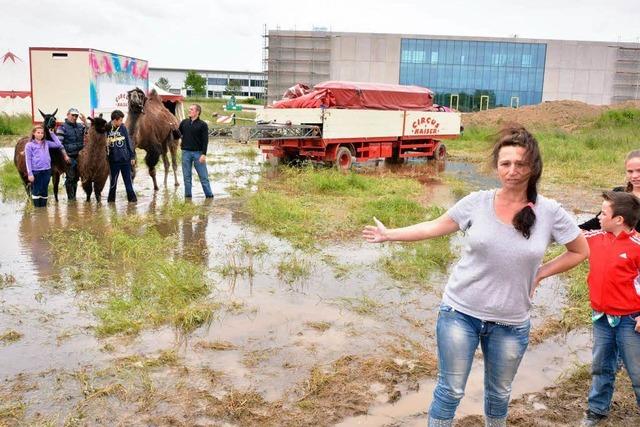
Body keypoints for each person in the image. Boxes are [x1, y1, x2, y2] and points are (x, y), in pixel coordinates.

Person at [363, 125, 589, 427]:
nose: (512, 171)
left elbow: (579, 250)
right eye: (505, 163)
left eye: (520, 164)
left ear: (533, 167)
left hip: (511, 322)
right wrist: (390, 235)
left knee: (499, 393)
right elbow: (433, 226)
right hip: (460, 313)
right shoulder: (476, 202)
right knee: (450, 389)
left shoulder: (550, 212)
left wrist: (540, 274)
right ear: (496, 167)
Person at [581, 191, 640, 426]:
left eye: (603, 213)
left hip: (630, 320)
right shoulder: (594, 237)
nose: (598, 217)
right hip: (602, 318)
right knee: (601, 367)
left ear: (619, 220)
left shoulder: (637, 246)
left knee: (637, 372)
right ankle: (597, 409)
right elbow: (565, 232)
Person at [24, 125, 69, 207]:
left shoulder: (46, 143)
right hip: (36, 171)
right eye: (38, 133)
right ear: (34, 133)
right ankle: (38, 210)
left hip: (47, 171)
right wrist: (30, 173)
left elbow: (58, 144)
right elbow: (28, 160)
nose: (40, 134)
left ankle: (43, 210)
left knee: (44, 191)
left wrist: (52, 134)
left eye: (42, 133)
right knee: (37, 191)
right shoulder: (29, 145)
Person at [179, 104, 213, 198]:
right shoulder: (184, 122)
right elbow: (177, 135)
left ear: (197, 112)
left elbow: (205, 141)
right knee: (187, 177)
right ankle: (188, 197)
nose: (189, 110)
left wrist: (203, 154)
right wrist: (173, 129)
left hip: (198, 154)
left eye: (191, 109)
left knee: (203, 177)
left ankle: (209, 196)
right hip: (185, 153)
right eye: (189, 109)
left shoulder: (203, 125)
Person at [106, 110, 137, 203]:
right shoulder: (107, 128)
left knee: (128, 183)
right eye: (120, 120)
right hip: (113, 161)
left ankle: (132, 202)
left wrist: (132, 157)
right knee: (113, 184)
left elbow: (129, 142)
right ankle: (111, 203)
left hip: (125, 160)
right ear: (115, 120)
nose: (122, 122)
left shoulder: (123, 128)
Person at [56, 107, 86, 200]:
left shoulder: (81, 126)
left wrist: (85, 122)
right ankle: (71, 200)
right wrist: (65, 156)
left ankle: (74, 199)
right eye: (72, 115)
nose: (74, 117)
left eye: (76, 115)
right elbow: (59, 144)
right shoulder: (62, 127)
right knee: (70, 178)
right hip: (68, 156)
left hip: (79, 156)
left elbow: (90, 132)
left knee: (76, 178)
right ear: (68, 115)